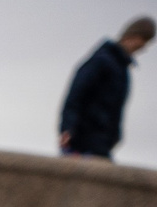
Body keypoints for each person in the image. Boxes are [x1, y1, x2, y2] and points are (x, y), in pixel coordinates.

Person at [60, 17, 153, 159]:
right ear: (130, 36)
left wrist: (115, 136)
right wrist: (67, 128)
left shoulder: (122, 69)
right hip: (83, 138)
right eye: (142, 40)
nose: (143, 47)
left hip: (102, 142)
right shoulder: (102, 61)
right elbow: (76, 94)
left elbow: (116, 109)